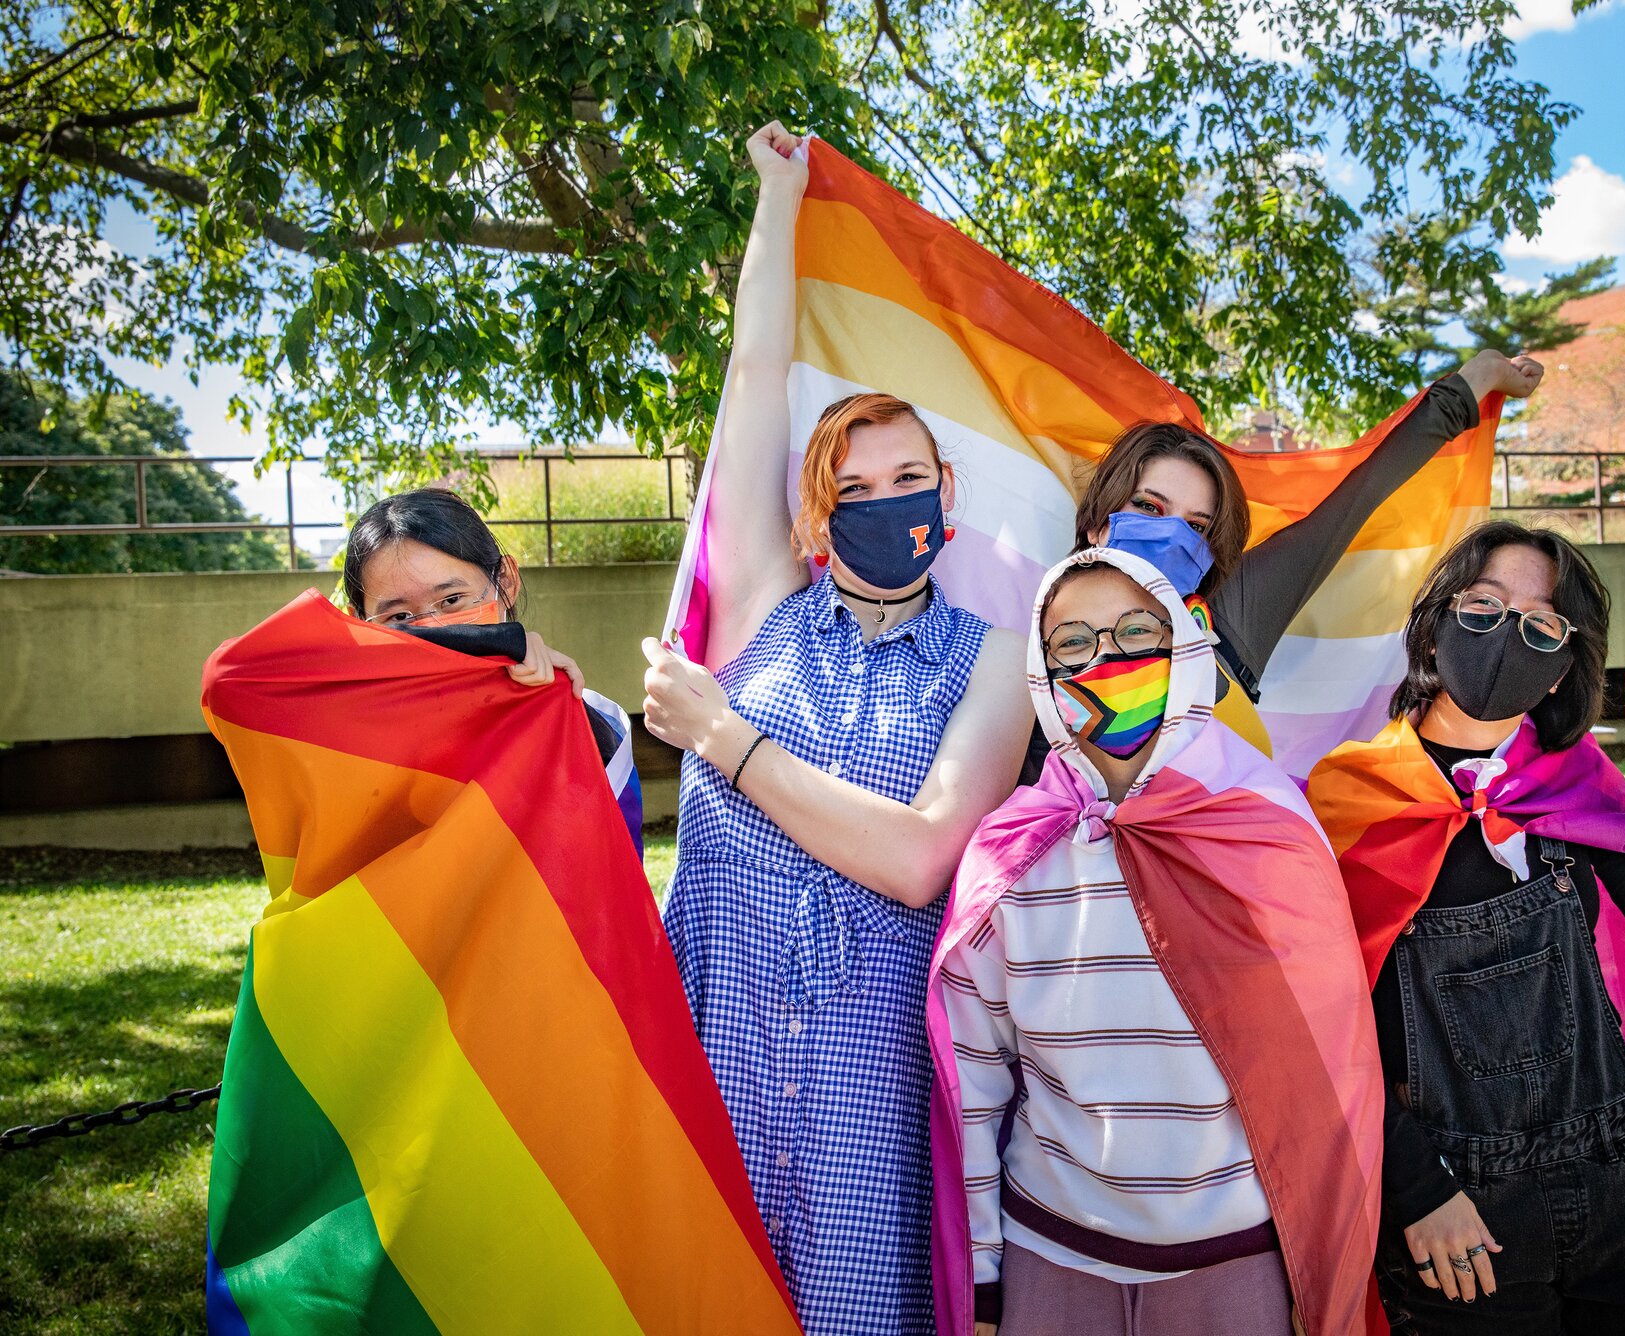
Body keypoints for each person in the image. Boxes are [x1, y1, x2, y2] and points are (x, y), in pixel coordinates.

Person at [639, 122, 1033, 1336]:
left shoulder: (997, 666)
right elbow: (756, 379)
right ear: (815, 516)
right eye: (851, 489)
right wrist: (778, 195)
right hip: (710, 1056)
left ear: (945, 493)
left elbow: (922, 858)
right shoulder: (761, 606)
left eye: (906, 477)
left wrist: (727, 739)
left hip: (873, 1091)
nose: (883, 503)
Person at [1306, 520, 1625, 1335]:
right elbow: (1323, 1027)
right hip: (1459, 1202)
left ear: (1560, 671)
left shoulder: (1572, 779)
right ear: (1436, 623)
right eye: (1482, 605)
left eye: (1541, 623)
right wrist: (1416, 1186)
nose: (1507, 634)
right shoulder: (1346, 800)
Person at [929, 547, 1383, 1336]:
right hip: (1053, 1264)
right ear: (1041, 672)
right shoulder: (1011, 851)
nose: (1107, 660)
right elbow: (975, 1088)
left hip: (1233, 1272)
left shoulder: (1265, 827)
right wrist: (987, 1281)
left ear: (1183, 649)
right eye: (1073, 642)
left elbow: (1328, 1074)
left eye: (1136, 633)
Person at [1016, 350, 1543, 779]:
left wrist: (1477, 380)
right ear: (1096, 524)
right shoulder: (1021, 643)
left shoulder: (1233, 616)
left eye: (1197, 527)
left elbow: (1359, 494)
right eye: (1149, 508)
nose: (1172, 534)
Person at [341, 486, 643, 851]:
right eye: (400, 617)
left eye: (452, 601)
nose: (436, 631)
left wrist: (538, 690)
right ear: (359, 622)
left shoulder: (584, 728)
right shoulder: (340, 738)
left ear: (506, 582)